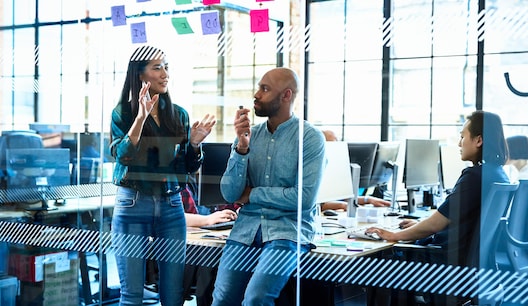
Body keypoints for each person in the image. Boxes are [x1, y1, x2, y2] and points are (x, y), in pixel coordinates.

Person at [109, 45, 216, 306]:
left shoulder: (177, 114)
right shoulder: (122, 113)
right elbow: (122, 155)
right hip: (133, 202)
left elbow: (187, 169)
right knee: (132, 295)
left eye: (166, 66)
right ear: (140, 75)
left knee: (173, 295)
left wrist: (194, 145)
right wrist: (140, 118)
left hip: (171, 205)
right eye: (157, 67)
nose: (165, 73)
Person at [210, 67, 326, 306]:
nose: (256, 94)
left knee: (256, 299)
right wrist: (241, 149)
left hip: (287, 231)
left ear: (286, 96)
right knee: (222, 300)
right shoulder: (250, 135)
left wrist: (252, 194)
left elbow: (303, 198)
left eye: (264, 89)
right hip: (245, 230)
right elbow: (230, 193)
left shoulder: (310, 138)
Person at [367, 110, 510, 267]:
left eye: (462, 137)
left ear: (478, 140)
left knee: (375, 260)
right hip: (471, 265)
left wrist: (394, 235)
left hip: (445, 264)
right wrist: (419, 225)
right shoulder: (498, 174)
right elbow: (460, 222)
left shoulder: (474, 176)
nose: (459, 143)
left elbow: (436, 225)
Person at [319, 130, 391, 211]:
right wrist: (343, 205)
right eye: (332, 143)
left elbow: (343, 197)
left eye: (337, 141)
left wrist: (368, 200)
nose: (337, 146)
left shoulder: (334, 168)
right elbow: (317, 204)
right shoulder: (315, 169)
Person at [505, 135, 528, 240]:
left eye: (505, 149)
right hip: (525, 234)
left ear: (515, 151)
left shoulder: (524, 179)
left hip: (518, 236)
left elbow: (514, 215)